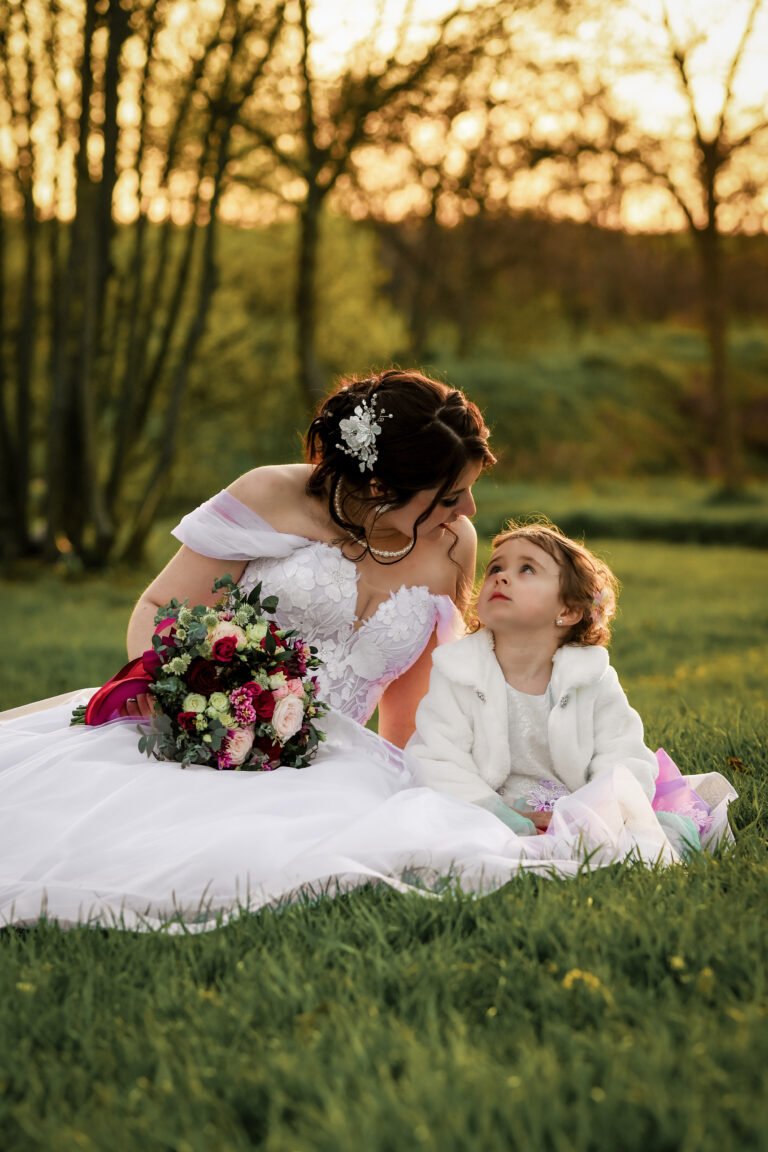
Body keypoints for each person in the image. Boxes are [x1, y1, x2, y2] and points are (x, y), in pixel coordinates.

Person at [406, 520, 736, 856]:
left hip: (579, 811)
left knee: (639, 841)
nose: (501, 577)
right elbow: (439, 757)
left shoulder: (591, 678)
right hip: (490, 810)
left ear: (568, 611)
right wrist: (498, 814)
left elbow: (623, 755)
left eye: (527, 570)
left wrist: (589, 814)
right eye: (495, 568)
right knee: (458, 846)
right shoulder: (459, 671)